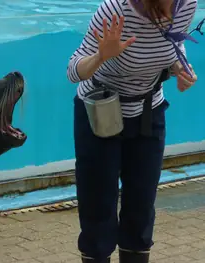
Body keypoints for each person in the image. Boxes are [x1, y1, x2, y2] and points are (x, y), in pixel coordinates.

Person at [66, 0, 198, 262]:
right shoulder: (117, 10)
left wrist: (180, 67)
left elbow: (174, 45)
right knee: (98, 211)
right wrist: (101, 55)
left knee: (141, 207)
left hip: (149, 111)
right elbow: (72, 70)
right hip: (101, 113)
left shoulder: (187, 4)